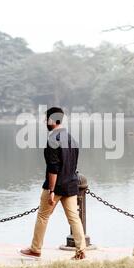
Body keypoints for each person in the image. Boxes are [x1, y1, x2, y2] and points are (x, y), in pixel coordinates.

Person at [20, 107, 86, 260]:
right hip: (70, 184)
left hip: (56, 187)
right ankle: (81, 250)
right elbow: (72, 164)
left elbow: (53, 168)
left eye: (46, 119)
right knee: (74, 218)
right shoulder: (72, 139)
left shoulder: (53, 140)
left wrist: (51, 190)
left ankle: (35, 249)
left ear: (52, 121)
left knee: (43, 216)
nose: (45, 122)